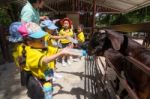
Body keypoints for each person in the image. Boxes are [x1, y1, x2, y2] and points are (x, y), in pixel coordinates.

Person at [17, 22, 75, 99]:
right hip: (40, 79)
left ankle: (49, 93)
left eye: (43, 39)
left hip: (47, 74)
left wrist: (65, 49)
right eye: (41, 40)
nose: (44, 41)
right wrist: (60, 54)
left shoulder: (41, 47)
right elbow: (45, 60)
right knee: (42, 93)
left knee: (49, 88)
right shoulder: (31, 52)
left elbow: (55, 50)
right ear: (29, 42)